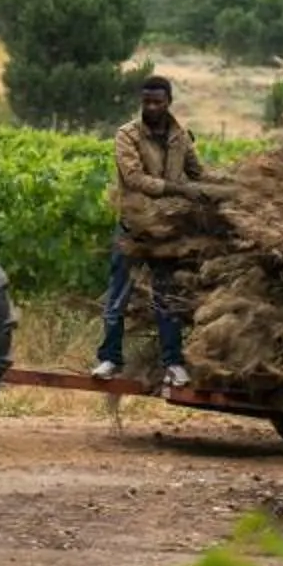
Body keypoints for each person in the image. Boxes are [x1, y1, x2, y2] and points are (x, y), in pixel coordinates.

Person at [92, 74, 204, 392]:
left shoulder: (181, 137)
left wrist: (221, 187)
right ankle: (110, 358)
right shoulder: (126, 135)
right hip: (133, 227)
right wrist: (176, 189)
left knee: (166, 298)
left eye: (157, 102)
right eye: (146, 101)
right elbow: (134, 176)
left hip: (165, 232)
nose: (151, 107)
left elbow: (199, 171)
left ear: (168, 102)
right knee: (118, 296)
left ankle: (173, 363)